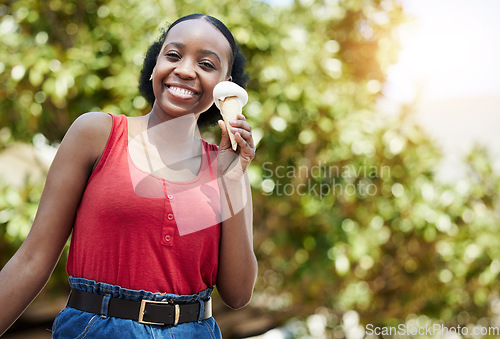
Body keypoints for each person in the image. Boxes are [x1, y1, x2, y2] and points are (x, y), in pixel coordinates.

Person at [0, 13, 257, 338]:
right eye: (173, 55)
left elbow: (238, 294)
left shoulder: (227, 167)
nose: (185, 70)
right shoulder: (96, 134)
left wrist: (229, 180)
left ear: (225, 88)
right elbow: (32, 259)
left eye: (206, 64)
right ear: (154, 65)